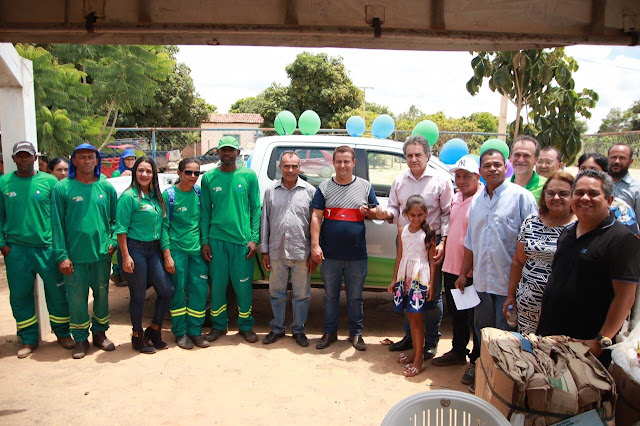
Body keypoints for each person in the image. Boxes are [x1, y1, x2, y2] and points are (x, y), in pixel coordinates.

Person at [537, 169, 640, 367]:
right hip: (550, 338)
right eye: (579, 192)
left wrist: (600, 341)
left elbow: (625, 297)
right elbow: (556, 280)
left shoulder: (622, 240)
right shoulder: (567, 233)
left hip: (585, 347)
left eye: (593, 194)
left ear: (609, 200)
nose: (585, 198)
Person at [455, 149, 538, 392]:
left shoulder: (521, 198)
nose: (492, 169)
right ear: (480, 171)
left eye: (497, 165)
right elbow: (471, 242)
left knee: (508, 336)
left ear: (506, 167)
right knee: (482, 333)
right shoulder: (478, 201)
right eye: (487, 165)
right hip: (482, 283)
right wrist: (463, 273)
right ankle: (486, 376)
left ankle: (506, 386)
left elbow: (531, 242)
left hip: (509, 286)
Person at [0, 141, 73, 358]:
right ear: (13, 159)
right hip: (17, 250)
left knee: (58, 292)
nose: (24, 159)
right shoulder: (4, 183)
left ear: (35, 158)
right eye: (20, 156)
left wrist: (60, 248)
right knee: (20, 296)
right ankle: (29, 339)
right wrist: (3, 246)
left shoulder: (50, 182)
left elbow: (61, 217)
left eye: (28, 155)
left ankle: (62, 333)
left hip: (47, 249)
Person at [385, 135, 454, 360]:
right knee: (407, 290)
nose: (413, 159)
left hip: (430, 244)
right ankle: (410, 337)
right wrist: (386, 215)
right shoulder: (399, 180)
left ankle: (431, 342)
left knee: (431, 294)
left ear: (428, 156)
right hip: (406, 240)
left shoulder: (440, 180)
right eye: (409, 155)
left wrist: (443, 241)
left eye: (418, 155)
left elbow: (446, 214)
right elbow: (394, 208)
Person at [311, 145, 385, 351]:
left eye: (346, 161)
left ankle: (356, 333)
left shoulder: (365, 186)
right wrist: (315, 246)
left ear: (354, 163)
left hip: (356, 255)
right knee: (330, 297)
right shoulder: (324, 187)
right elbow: (316, 217)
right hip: (330, 254)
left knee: (355, 297)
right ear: (333, 163)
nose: (342, 165)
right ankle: (329, 332)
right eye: (338, 161)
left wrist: (368, 212)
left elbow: (376, 213)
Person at [51, 143, 118, 359]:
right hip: (74, 257)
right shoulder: (62, 189)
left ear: (97, 160)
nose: (87, 161)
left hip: (100, 255)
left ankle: (100, 334)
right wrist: (62, 256)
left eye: (91, 157)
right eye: (82, 157)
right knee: (77, 298)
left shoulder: (106, 188)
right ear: (74, 161)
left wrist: (112, 241)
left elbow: (116, 221)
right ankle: (80, 338)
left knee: (102, 294)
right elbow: (57, 226)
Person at [200, 136, 261, 344]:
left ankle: (245, 326)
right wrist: (205, 241)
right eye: (223, 150)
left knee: (243, 287)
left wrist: (254, 239)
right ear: (218, 152)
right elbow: (204, 213)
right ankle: (219, 325)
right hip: (216, 241)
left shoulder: (249, 176)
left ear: (237, 152)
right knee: (217, 286)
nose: (227, 153)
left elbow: (256, 210)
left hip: (242, 243)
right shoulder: (208, 178)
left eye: (231, 150)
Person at [503, 171, 576, 336]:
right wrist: (511, 296)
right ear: (544, 196)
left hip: (563, 308)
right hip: (528, 306)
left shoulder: (580, 226)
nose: (556, 197)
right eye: (551, 193)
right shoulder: (532, 221)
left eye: (563, 193)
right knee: (528, 352)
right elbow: (518, 261)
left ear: (573, 196)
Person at [431, 156, 482, 389]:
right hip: (451, 267)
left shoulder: (482, 199)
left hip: (469, 271)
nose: (461, 181)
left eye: (467, 176)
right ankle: (458, 351)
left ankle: (476, 361)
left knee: (474, 319)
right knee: (457, 315)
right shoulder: (457, 197)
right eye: (458, 176)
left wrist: (466, 271)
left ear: (477, 177)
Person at [116, 157, 174, 354]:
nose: (144, 174)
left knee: (166, 290)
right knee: (139, 295)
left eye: (148, 171)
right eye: (140, 170)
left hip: (153, 250)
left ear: (154, 175)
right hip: (134, 250)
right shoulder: (129, 197)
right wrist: (125, 256)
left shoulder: (156, 197)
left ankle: (154, 330)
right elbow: (121, 229)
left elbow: (163, 226)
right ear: (135, 173)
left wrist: (165, 253)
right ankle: (137, 336)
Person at [260, 151, 316, 347]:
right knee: (276, 292)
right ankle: (277, 328)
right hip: (277, 251)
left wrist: (313, 252)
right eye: (286, 166)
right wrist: (265, 250)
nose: (290, 170)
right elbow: (264, 222)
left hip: (302, 252)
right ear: (280, 167)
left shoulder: (309, 191)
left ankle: (299, 330)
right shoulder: (271, 191)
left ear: (300, 167)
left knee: (302, 294)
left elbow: (315, 224)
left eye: (294, 166)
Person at [162, 158, 210, 350]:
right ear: (179, 173)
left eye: (196, 173)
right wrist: (167, 256)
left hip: (197, 252)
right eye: (188, 172)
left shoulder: (199, 194)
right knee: (178, 294)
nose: (192, 176)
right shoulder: (169, 196)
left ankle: (195, 332)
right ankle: (181, 333)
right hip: (177, 252)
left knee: (199, 292)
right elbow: (163, 227)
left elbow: (203, 221)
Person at [388, 195, 437, 377]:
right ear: (406, 214)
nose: (416, 219)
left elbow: (432, 262)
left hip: (420, 280)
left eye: (420, 215)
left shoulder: (429, 233)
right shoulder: (402, 231)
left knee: (416, 319)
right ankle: (415, 353)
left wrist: (431, 284)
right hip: (405, 277)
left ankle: (419, 360)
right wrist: (395, 280)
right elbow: (400, 256)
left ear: (425, 213)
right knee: (410, 317)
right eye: (413, 215)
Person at [578, 153, 639, 234]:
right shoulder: (569, 202)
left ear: (605, 175)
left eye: (593, 170)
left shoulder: (621, 209)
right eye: (583, 169)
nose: (587, 174)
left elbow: (632, 240)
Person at [608, 144, 640, 223]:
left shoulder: (636, 189)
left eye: (622, 158)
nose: (617, 161)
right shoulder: (599, 184)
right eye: (613, 157)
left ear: (630, 161)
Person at [510, 135, 547, 201]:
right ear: (511, 158)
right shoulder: (502, 186)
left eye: (526, 156)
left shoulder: (546, 186)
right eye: (517, 155)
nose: (520, 160)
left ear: (536, 160)